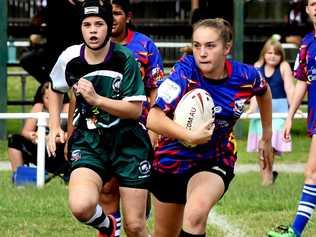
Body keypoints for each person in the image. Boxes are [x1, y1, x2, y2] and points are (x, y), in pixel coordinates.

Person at [146, 18, 273, 237]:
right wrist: (190, 136)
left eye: (210, 46)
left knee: (195, 213)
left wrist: (267, 135)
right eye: (197, 45)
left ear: (227, 48)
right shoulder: (185, 72)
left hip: (215, 158)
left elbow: (263, 90)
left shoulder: (245, 76)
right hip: (171, 159)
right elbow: (153, 119)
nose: (202, 52)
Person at [47, 1, 152, 236]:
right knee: (81, 206)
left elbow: (135, 110)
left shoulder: (124, 59)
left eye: (99, 24)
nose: (93, 30)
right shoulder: (71, 57)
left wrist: (98, 100)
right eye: (86, 24)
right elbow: (54, 89)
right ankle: (108, 226)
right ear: (80, 28)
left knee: (135, 226)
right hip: (89, 141)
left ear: (108, 27)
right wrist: (54, 126)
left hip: (128, 142)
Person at [97, 0, 164, 231]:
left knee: (135, 209)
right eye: (108, 13)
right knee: (106, 188)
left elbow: (155, 88)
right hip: (103, 127)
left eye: (117, 13)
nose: (112, 18)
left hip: (137, 127)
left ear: (128, 16)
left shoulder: (145, 45)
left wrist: (155, 127)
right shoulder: (93, 45)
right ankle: (109, 231)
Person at [267, 0, 316, 236]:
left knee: (312, 173)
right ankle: (295, 231)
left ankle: (296, 231)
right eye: (313, 4)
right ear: (307, 10)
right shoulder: (307, 44)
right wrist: (289, 117)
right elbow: (302, 83)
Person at [246, 36, 295, 186]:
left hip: (279, 111)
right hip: (261, 111)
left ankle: (268, 177)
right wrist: (251, 109)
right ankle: (266, 179)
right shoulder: (257, 66)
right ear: (264, 54)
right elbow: (255, 93)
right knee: (261, 148)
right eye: (269, 53)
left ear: (281, 55)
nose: (272, 56)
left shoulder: (284, 66)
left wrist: (293, 109)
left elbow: (289, 88)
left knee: (271, 144)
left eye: (276, 53)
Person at [8, 82, 70, 183]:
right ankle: (19, 176)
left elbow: (73, 133)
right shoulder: (39, 107)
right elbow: (26, 132)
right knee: (14, 140)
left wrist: (53, 139)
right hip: (40, 148)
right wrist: (32, 136)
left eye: (55, 97)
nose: (51, 101)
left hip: (61, 150)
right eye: (47, 98)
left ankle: (69, 176)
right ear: (42, 98)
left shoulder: (67, 107)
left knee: (73, 142)